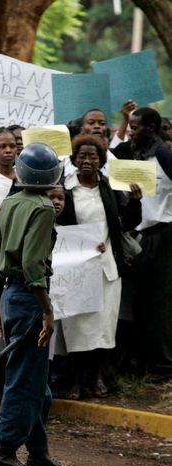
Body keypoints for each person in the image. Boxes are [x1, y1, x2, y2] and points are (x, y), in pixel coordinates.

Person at [0, 143, 79, 466]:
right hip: (29, 299)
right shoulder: (42, 208)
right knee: (24, 383)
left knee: (38, 384)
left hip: (12, 297)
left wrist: (0, 304)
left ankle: (38, 454)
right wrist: (48, 311)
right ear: (53, 175)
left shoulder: (10, 202)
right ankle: (5, 455)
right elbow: (31, 265)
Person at [55, 135, 141, 397]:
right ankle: (76, 380)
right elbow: (57, 225)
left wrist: (135, 200)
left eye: (93, 156)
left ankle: (97, 378)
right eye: (82, 156)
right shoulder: (65, 189)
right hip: (77, 270)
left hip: (107, 269)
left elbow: (125, 224)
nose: (87, 161)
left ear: (102, 161)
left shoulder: (110, 188)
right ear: (74, 160)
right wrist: (83, 243)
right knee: (77, 327)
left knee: (103, 328)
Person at [113, 107, 172, 372]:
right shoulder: (138, 154)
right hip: (144, 236)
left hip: (163, 235)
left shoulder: (162, 154)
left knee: (158, 300)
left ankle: (162, 362)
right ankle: (147, 358)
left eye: (135, 127)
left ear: (150, 128)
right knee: (145, 299)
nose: (131, 131)